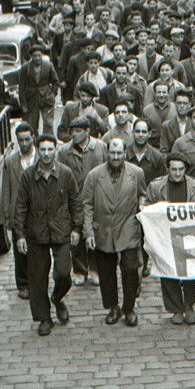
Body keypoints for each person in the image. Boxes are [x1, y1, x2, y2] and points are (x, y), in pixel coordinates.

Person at [12, 135, 82, 336]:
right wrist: (20, 235)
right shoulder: (28, 176)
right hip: (37, 232)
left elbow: (75, 202)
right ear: (38, 150)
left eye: (50, 149)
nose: (46, 154)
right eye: (42, 150)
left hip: (61, 230)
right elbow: (20, 207)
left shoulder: (65, 174)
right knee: (37, 277)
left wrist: (76, 229)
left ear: (55, 150)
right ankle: (44, 317)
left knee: (62, 273)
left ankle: (58, 298)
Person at [82, 138, 147, 327]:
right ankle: (112, 306)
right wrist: (89, 232)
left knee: (129, 269)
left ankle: (129, 308)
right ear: (107, 153)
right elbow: (86, 203)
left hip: (128, 225)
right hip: (103, 228)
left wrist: (142, 203)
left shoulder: (136, 173)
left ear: (125, 153)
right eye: (112, 153)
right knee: (106, 271)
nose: (116, 157)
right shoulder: (95, 175)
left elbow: (143, 194)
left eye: (119, 153)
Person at [144, 154, 195, 325]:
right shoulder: (156, 186)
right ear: (168, 169)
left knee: (191, 272)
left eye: (181, 169)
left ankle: (189, 305)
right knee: (168, 270)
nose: (177, 173)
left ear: (185, 169)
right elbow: (146, 207)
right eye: (174, 170)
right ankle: (176, 308)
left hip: (190, 236)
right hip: (165, 236)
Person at [57, 117, 108, 287]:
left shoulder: (100, 146)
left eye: (78, 131)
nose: (74, 135)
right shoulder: (64, 151)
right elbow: (60, 174)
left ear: (87, 131)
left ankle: (95, 269)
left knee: (95, 233)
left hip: (96, 197)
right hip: (74, 199)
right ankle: (79, 270)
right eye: (72, 131)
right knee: (75, 234)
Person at [1, 123, 37, 299]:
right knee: (20, 250)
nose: (23, 143)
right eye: (20, 140)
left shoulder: (42, 158)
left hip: (38, 212)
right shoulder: (10, 162)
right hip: (19, 212)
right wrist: (7, 215)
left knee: (38, 249)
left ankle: (38, 281)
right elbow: (6, 189)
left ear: (33, 138)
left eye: (27, 139)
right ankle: (23, 284)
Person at [18, 44, 60, 137]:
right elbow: (21, 87)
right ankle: (34, 143)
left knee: (48, 123)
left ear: (42, 55)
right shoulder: (25, 68)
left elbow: (56, 82)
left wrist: (52, 94)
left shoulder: (48, 66)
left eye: (39, 55)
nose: (37, 58)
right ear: (31, 56)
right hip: (32, 99)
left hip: (46, 98)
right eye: (34, 56)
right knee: (31, 124)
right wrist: (23, 104)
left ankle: (48, 140)